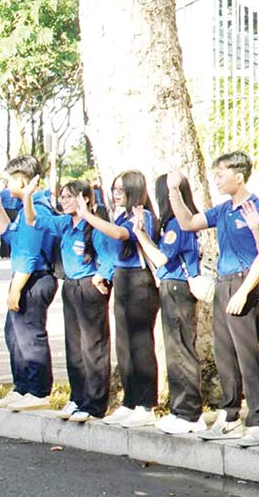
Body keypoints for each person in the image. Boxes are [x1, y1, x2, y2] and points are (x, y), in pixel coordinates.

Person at [168, 152, 259, 441]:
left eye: (221, 174)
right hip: (223, 283)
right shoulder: (222, 210)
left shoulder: (255, 207)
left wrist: (245, 291)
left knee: (249, 354)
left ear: (239, 176)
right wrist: (173, 190)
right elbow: (187, 223)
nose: (217, 180)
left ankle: (256, 420)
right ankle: (230, 415)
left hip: (247, 282)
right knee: (225, 354)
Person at [88, 171, 158, 426]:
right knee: (124, 343)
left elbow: (120, 235)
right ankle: (130, 400)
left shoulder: (142, 216)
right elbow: (110, 250)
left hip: (140, 281)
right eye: (114, 189)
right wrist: (103, 273)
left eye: (121, 189)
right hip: (121, 278)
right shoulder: (117, 214)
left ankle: (146, 403)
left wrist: (88, 216)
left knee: (140, 343)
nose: (116, 194)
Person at [0, 168, 63, 410]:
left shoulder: (37, 209)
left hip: (33, 277)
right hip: (25, 277)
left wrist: (16, 289)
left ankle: (39, 390)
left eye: (11, 178)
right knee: (15, 334)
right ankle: (22, 386)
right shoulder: (24, 209)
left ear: (24, 181)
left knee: (30, 336)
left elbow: (29, 254)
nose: (7, 183)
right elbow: (12, 238)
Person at [138, 173, 205, 435]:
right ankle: (182, 409)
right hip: (175, 288)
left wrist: (141, 235)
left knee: (180, 350)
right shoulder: (179, 223)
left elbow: (161, 259)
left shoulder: (178, 225)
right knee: (177, 348)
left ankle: (188, 412)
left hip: (177, 288)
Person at [55, 179, 111, 422]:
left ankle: (94, 402)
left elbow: (109, 256)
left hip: (90, 285)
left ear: (86, 198)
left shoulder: (94, 227)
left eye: (70, 196)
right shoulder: (66, 225)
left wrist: (102, 275)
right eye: (62, 197)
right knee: (74, 346)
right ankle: (77, 397)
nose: (64, 201)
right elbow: (35, 220)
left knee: (93, 346)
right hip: (70, 285)